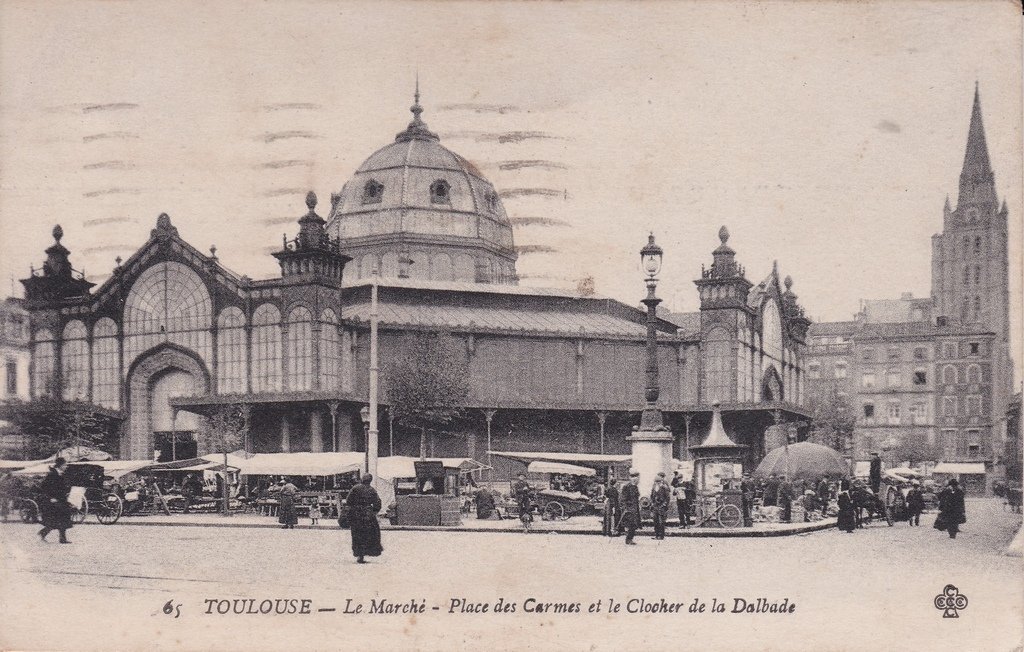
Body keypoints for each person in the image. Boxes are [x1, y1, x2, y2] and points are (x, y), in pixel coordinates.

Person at [346, 474, 383, 563]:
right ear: (370, 480)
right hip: (368, 515)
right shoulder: (372, 490)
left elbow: (348, 500)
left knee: (357, 534)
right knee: (368, 534)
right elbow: (378, 503)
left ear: (362, 479)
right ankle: (366, 552)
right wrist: (373, 511)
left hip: (356, 514)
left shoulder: (355, 488)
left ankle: (359, 554)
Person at [38, 457, 73, 544]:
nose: (66, 466)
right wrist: (50, 498)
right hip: (53, 501)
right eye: (65, 465)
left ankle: (62, 539)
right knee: (54, 520)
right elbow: (44, 487)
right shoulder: (52, 474)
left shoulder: (62, 474)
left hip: (62, 499)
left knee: (63, 519)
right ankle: (43, 533)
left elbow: (63, 487)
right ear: (60, 465)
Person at [620, 469, 641, 545]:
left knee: (634, 524)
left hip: (635, 509)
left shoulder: (635, 487)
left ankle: (630, 538)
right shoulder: (627, 487)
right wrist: (626, 508)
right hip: (629, 509)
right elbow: (623, 499)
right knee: (630, 524)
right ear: (633, 478)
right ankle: (628, 539)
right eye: (638, 478)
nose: (638, 480)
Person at [650, 472, 671, 540]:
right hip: (655, 506)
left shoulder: (664, 487)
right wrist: (652, 503)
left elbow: (667, 497)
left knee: (661, 521)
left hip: (661, 506)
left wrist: (664, 504)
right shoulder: (654, 487)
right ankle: (656, 535)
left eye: (658, 482)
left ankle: (661, 536)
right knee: (655, 521)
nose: (657, 483)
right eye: (656, 482)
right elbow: (652, 496)